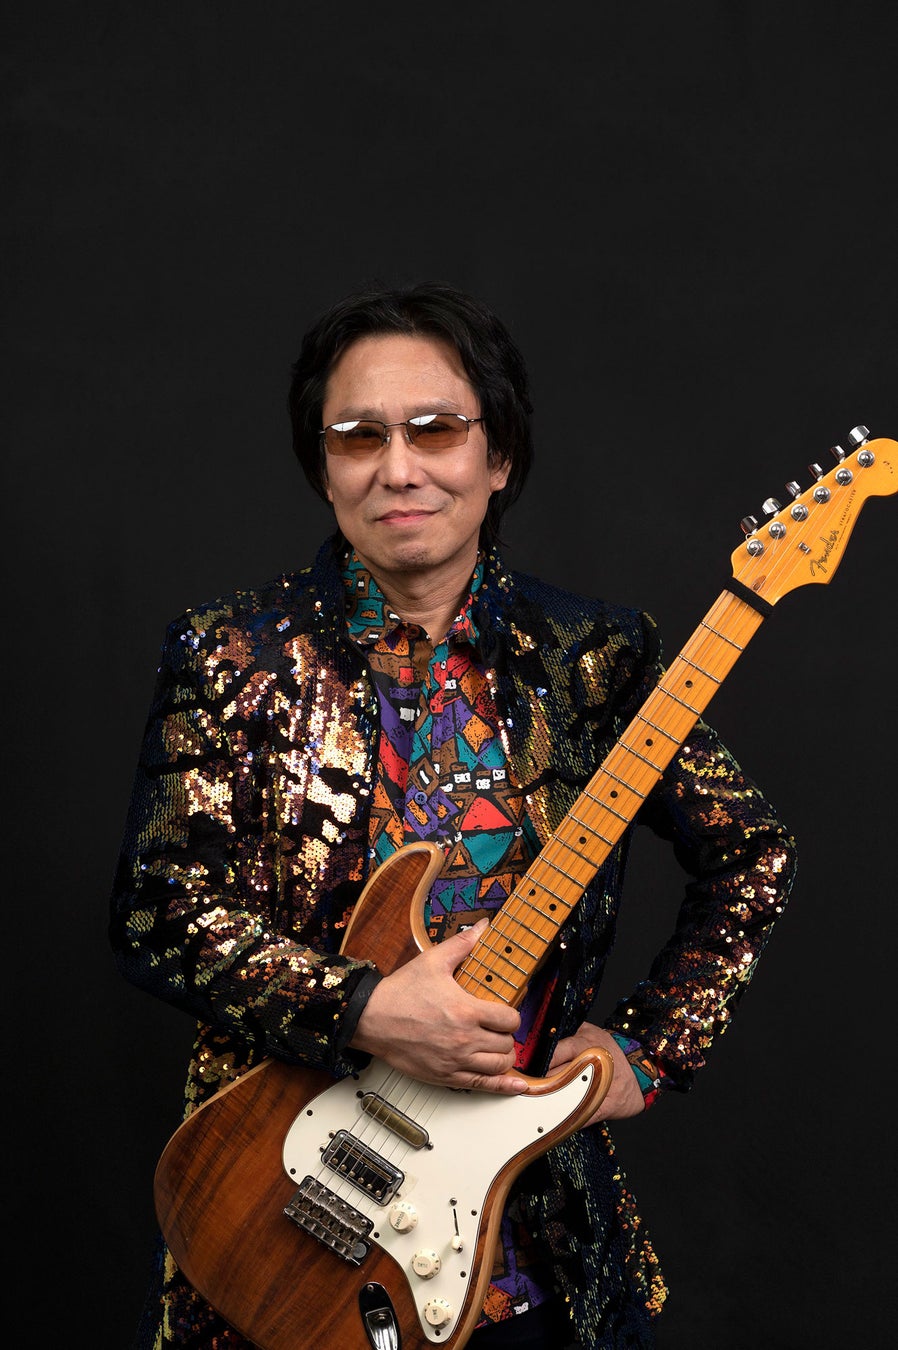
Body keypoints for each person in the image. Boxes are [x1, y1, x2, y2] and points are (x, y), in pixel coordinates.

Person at [110, 282, 797, 1350]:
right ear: (323, 467)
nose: (399, 468)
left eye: (435, 429)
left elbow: (751, 852)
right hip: (275, 1209)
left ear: (499, 455)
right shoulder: (231, 654)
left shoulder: (595, 657)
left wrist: (648, 1053)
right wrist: (362, 1008)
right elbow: (159, 906)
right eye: (359, 436)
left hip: (529, 1235)